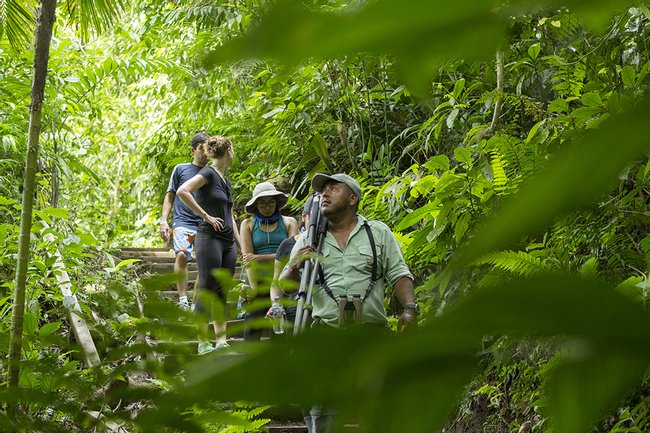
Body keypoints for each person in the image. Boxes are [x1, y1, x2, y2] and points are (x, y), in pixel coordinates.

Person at [279, 173, 418, 433]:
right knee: (322, 412)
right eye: (323, 191)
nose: (325, 194)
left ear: (353, 198)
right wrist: (295, 265)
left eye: (334, 188)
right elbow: (285, 285)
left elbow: (399, 274)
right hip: (325, 336)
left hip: (371, 336)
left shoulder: (377, 233)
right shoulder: (310, 238)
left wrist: (409, 309)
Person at [177, 136, 241, 354]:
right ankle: (202, 342)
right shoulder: (208, 173)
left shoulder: (225, 180)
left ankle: (221, 341)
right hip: (209, 237)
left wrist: (241, 246)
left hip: (227, 242)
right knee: (207, 287)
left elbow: (230, 217)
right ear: (229, 151)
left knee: (222, 290)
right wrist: (205, 216)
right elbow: (182, 191)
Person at [239, 182, 298, 341]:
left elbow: (292, 255)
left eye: (271, 202)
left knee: (280, 332)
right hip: (258, 281)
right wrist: (253, 288)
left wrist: (259, 257)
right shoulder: (248, 224)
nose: (267, 206)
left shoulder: (289, 222)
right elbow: (247, 258)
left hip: (283, 282)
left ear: (277, 202)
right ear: (255, 204)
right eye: (262, 202)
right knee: (252, 330)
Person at [160, 132, 209, 310]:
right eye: (202, 149)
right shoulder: (180, 169)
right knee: (181, 254)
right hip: (182, 222)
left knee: (204, 265)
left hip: (204, 224)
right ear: (193, 150)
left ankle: (195, 305)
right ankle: (182, 300)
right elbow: (170, 196)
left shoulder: (211, 173)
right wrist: (163, 220)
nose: (205, 153)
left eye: (208, 149)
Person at [265, 193, 316, 333]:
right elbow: (276, 281)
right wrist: (276, 305)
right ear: (303, 216)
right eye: (311, 216)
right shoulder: (288, 245)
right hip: (295, 306)